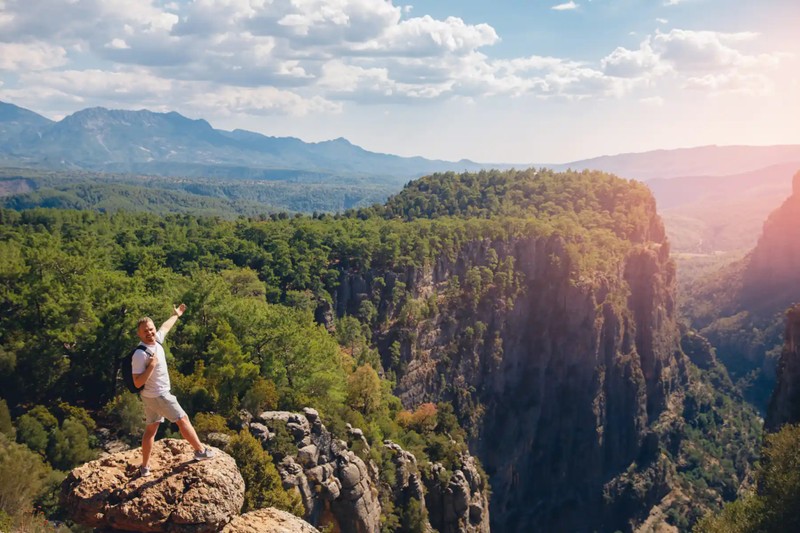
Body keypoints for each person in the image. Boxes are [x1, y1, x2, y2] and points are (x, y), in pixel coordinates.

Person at [132, 303, 214, 477]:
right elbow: (137, 382)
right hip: (159, 395)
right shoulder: (140, 354)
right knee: (182, 419)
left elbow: (165, 327)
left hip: (150, 397)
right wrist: (152, 366)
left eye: (151, 329)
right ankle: (200, 451)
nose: (150, 333)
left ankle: (145, 467)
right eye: (145, 331)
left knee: (150, 430)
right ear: (139, 334)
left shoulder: (157, 341)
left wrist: (176, 315)